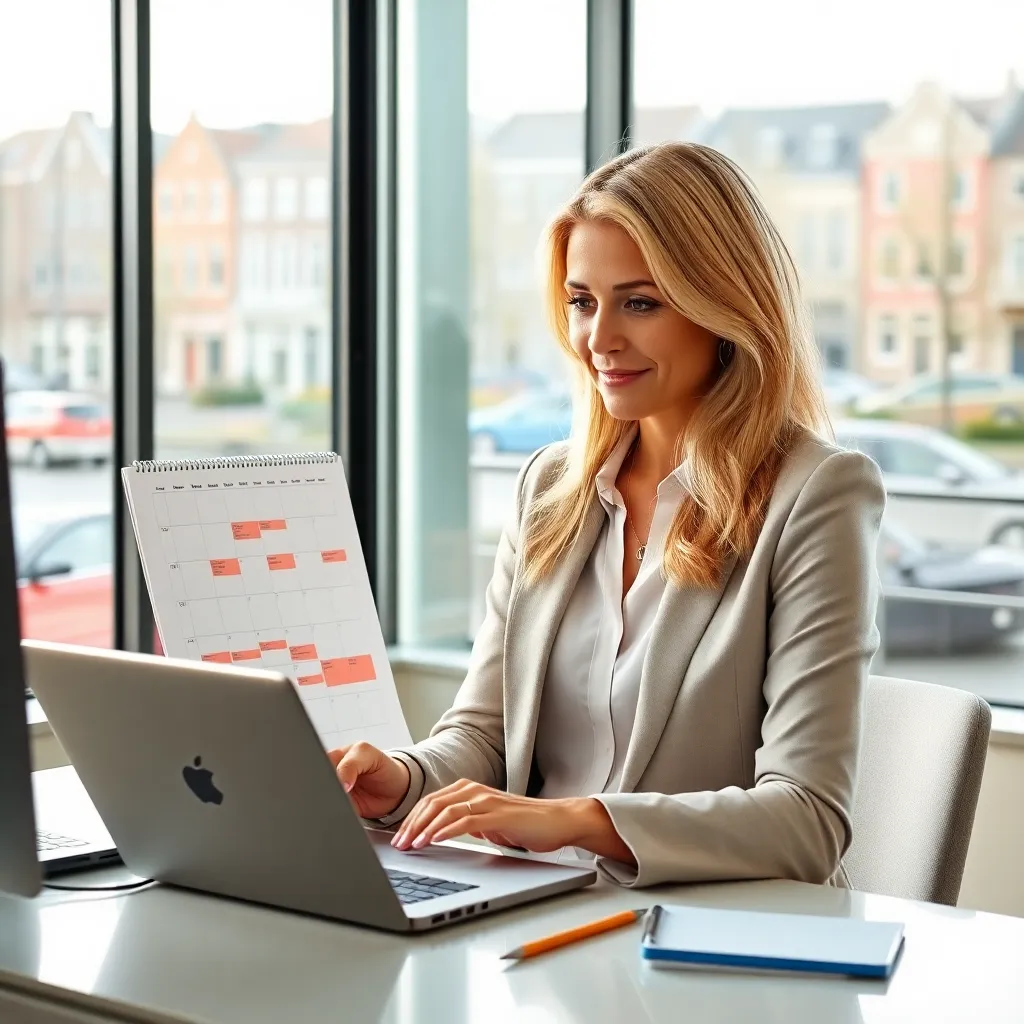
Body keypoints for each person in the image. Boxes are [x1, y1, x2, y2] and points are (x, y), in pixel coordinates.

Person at [329, 143, 885, 888]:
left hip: (701, 939)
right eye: (583, 301)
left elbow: (806, 820)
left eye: (641, 302)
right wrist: (400, 781)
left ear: (722, 305)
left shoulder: (816, 494)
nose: (599, 339)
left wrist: (579, 819)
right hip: (536, 913)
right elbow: (485, 735)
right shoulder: (550, 487)